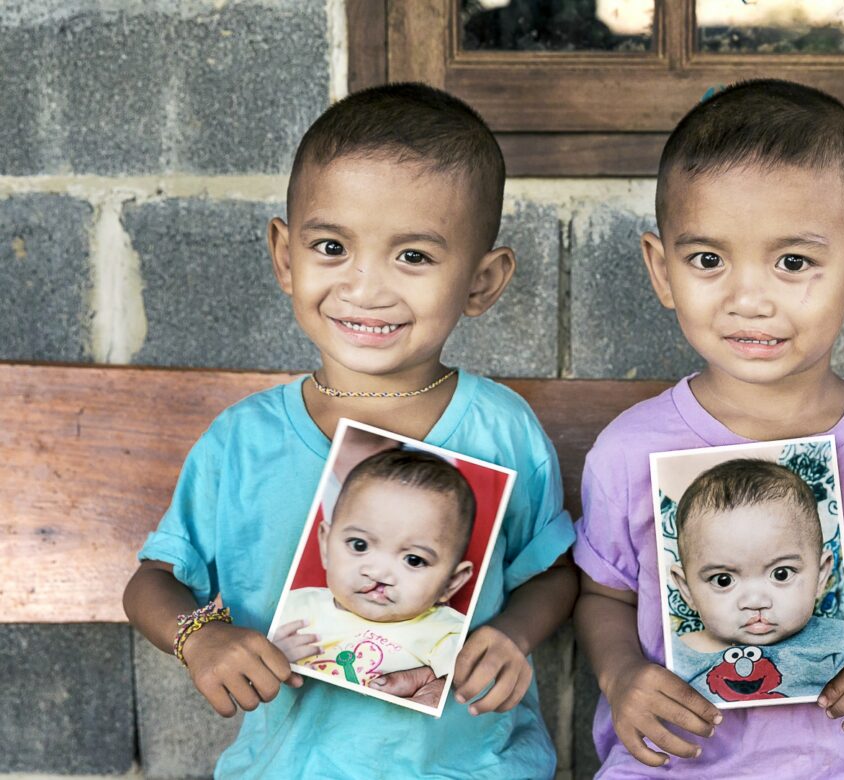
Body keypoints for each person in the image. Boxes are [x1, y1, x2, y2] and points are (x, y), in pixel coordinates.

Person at [122, 83, 577, 778]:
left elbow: (552, 573)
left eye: (414, 257)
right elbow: (153, 582)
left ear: (483, 281)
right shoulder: (243, 442)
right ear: (284, 255)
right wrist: (199, 639)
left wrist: (514, 635)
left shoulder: (499, 428)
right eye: (332, 246)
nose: (366, 287)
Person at [573, 79, 844, 777]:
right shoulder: (629, 451)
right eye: (708, 260)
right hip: (673, 761)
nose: (748, 299)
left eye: (793, 263)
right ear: (662, 271)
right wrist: (619, 677)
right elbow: (603, 596)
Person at [273, 449, 477, 699]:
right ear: (325, 545)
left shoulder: (446, 634)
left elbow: (474, 691)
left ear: (451, 583)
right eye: (359, 545)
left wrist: (445, 688)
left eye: (413, 560)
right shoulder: (293, 608)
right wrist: (271, 659)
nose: (379, 573)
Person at [667, 458, 844, 702]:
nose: (755, 601)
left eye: (781, 574)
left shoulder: (840, 643)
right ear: (686, 589)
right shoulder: (674, 660)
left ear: (821, 575)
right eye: (723, 580)